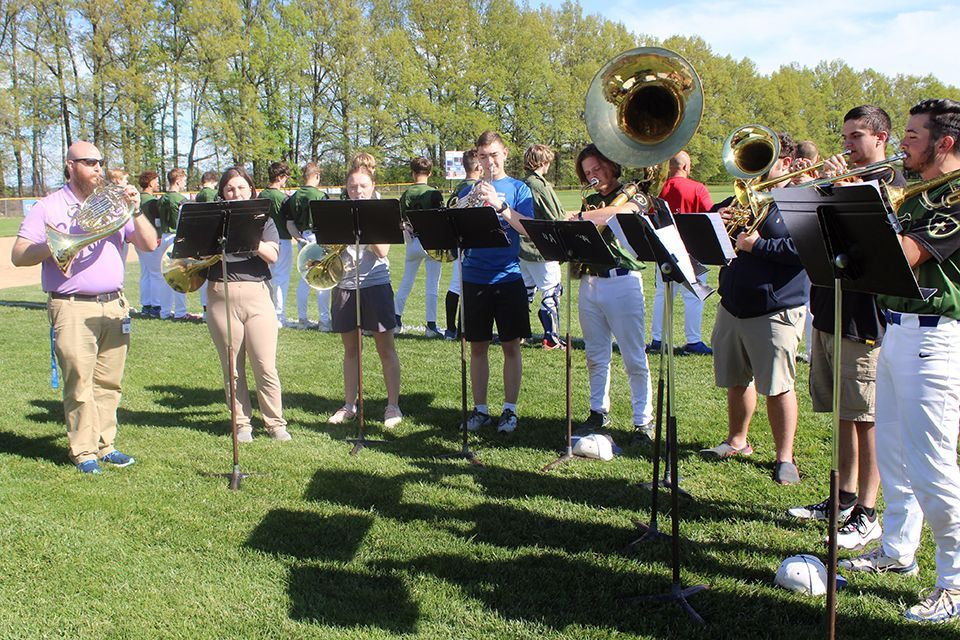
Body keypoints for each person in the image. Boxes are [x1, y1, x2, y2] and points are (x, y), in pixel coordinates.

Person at [839, 98, 960, 624]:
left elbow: (905, 255)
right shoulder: (916, 191)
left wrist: (858, 211)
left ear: (946, 143)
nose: (903, 141)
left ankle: (954, 583)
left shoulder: (953, 196)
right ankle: (897, 550)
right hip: (897, 329)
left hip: (936, 339)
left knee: (934, 467)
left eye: (912, 134)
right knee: (894, 455)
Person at [788, 105, 906, 551]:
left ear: (882, 138)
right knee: (843, 412)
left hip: (864, 317)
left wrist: (842, 189)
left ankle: (869, 513)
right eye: (845, 136)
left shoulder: (891, 186)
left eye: (857, 136)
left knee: (867, 416)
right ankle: (843, 497)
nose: (848, 146)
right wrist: (815, 191)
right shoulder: (841, 183)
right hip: (829, 308)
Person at [11, 141, 158, 473]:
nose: (98, 168)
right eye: (89, 162)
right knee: (79, 382)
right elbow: (19, 255)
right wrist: (58, 246)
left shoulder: (115, 204)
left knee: (109, 382)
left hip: (114, 304)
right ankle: (83, 451)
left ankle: (106, 445)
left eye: (100, 162)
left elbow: (149, 244)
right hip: (72, 306)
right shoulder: (48, 206)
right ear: (70, 165)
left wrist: (136, 209)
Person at [699, 132, 808, 486]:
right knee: (736, 379)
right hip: (733, 304)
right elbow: (715, 236)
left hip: (775, 308)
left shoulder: (800, 201)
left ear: (787, 163)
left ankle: (784, 456)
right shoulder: (744, 197)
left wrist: (758, 245)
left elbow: (804, 251)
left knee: (777, 385)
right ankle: (737, 440)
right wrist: (719, 217)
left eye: (767, 160)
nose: (757, 170)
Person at [572, 144, 654, 441]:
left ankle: (642, 421)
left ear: (611, 164)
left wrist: (580, 217)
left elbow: (621, 212)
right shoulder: (591, 200)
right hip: (590, 281)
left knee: (634, 356)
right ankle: (598, 411)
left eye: (598, 168)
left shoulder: (636, 193)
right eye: (588, 172)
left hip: (623, 281)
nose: (594, 176)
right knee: (595, 354)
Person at [204, 166, 290, 443]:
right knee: (232, 365)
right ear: (222, 193)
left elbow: (272, 255)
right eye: (230, 189)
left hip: (256, 292)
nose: (236, 192)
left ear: (251, 190)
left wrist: (247, 234)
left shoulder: (264, 221)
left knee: (265, 364)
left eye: (241, 188)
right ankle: (241, 423)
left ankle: (275, 423)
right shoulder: (213, 220)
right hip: (220, 293)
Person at [460, 131, 533, 434]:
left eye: (494, 154)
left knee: (510, 347)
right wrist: (468, 201)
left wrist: (499, 206)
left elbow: (528, 230)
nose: (489, 161)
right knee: (477, 347)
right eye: (483, 155)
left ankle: (510, 410)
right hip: (474, 275)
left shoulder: (519, 189)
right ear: (476, 157)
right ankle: (480, 410)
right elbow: (454, 225)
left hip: (508, 276)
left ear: (505, 153)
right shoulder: (469, 188)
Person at [326, 162, 403, 429]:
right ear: (346, 189)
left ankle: (392, 405)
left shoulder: (383, 212)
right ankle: (349, 404)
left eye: (363, 186)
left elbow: (382, 251)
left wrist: (363, 221)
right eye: (352, 187)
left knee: (385, 348)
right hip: (344, 285)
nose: (357, 191)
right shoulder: (337, 212)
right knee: (351, 351)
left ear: (373, 187)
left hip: (375, 284)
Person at [649, 150, 714, 356]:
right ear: (686, 167)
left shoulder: (659, 189)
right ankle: (693, 341)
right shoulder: (698, 188)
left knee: (663, 296)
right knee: (694, 297)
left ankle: (658, 340)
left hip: (665, 250)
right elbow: (710, 216)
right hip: (693, 251)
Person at [394, 156, 445, 337]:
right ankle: (431, 325)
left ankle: (396, 319)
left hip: (413, 240)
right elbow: (441, 219)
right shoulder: (434, 193)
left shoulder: (406, 194)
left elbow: (400, 220)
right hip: (431, 241)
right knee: (432, 284)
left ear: (413, 173)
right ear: (429, 173)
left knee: (406, 282)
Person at [520, 143, 565, 349]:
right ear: (543, 162)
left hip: (522, 248)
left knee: (526, 292)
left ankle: (520, 334)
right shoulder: (539, 185)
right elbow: (556, 216)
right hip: (541, 249)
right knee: (551, 291)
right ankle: (551, 338)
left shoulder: (520, 183)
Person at [286, 162, 331, 330]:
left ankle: (302, 319)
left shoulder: (293, 197)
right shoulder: (320, 195)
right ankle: (324, 322)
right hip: (319, 237)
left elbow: (289, 223)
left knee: (305, 279)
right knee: (322, 279)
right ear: (317, 176)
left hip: (303, 237)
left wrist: (298, 238)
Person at [444, 149, 481, 340]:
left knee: (455, 285)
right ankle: (459, 330)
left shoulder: (457, 188)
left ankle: (451, 328)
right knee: (461, 287)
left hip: (456, 242)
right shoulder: (474, 188)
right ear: (477, 166)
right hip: (469, 243)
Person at [157, 168, 201, 321]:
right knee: (179, 274)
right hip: (176, 236)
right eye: (183, 180)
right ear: (177, 180)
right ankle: (181, 312)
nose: (184, 183)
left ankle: (164, 311)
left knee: (165, 275)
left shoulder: (162, 198)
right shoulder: (180, 199)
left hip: (163, 236)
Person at [260, 161, 293, 327]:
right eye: (285, 177)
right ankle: (279, 316)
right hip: (281, 240)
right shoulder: (283, 198)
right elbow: (289, 222)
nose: (286, 180)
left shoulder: (261, 195)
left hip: (264, 241)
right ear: (280, 177)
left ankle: (269, 312)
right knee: (281, 279)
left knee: (268, 278)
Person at [135, 170, 163, 318]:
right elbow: (156, 223)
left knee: (145, 273)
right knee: (156, 273)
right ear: (151, 182)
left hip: (137, 240)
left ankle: (146, 304)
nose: (157, 183)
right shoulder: (151, 201)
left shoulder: (136, 198)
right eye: (156, 181)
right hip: (150, 239)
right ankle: (156, 305)